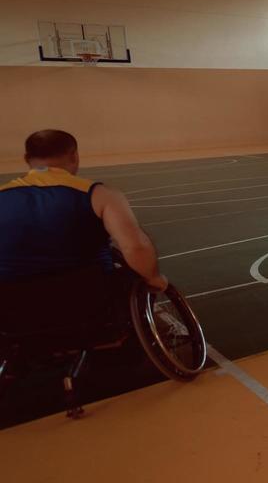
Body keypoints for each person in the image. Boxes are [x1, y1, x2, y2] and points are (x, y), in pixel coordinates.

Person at [1, 130, 168, 334]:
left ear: (27, 159)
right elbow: (135, 246)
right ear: (75, 156)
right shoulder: (99, 194)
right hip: (88, 300)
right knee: (137, 277)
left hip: (13, 306)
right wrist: (153, 278)